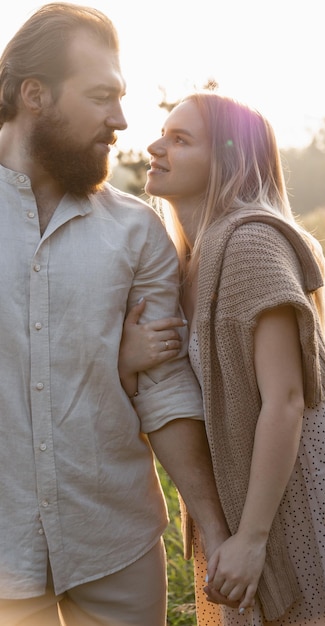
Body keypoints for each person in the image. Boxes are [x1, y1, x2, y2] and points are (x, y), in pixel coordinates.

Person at [119, 91, 325, 625]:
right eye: (163, 133)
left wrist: (251, 537)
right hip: (257, 490)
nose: (156, 146)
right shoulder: (183, 259)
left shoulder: (248, 243)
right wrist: (129, 357)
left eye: (180, 139)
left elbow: (285, 401)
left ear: (228, 159)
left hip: (314, 490)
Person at [0, 6, 230, 626]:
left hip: (114, 541)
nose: (121, 121)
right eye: (101, 96)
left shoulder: (137, 230)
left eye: (121, 97)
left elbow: (165, 386)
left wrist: (213, 526)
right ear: (35, 95)